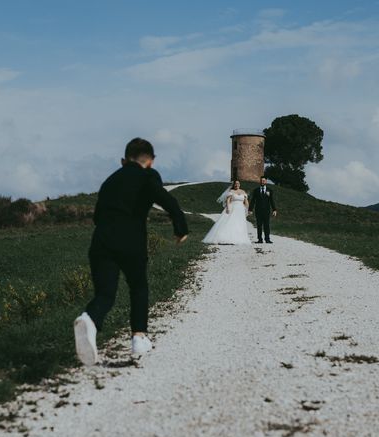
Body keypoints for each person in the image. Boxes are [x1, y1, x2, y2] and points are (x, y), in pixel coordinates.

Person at [74, 138, 189, 366]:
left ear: (123, 160)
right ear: (151, 161)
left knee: (105, 294)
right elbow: (167, 200)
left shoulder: (110, 180)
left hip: (101, 241)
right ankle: (138, 338)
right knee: (138, 287)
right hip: (131, 242)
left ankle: (89, 318)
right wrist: (180, 228)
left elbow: (97, 216)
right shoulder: (148, 176)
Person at [202, 180, 251, 245]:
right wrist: (228, 208)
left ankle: (238, 238)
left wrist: (247, 209)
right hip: (233, 208)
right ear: (234, 185)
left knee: (239, 223)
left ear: (240, 184)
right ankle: (226, 238)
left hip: (240, 210)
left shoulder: (243, 192)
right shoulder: (231, 191)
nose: (237, 185)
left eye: (238, 183)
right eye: (235, 184)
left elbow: (246, 202)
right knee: (231, 222)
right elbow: (228, 201)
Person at [248, 176, 277, 244]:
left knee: (267, 225)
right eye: (261, 180)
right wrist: (250, 209)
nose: (262, 182)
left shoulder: (269, 190)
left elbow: (271, 200)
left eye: (263, 181)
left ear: (266, 181)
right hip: (258, 211)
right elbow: (253, 200)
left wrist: (274, 210)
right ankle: (260, 239)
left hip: (266, 211)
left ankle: (267, 239)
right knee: (259, 225)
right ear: (260, 181)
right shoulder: (256, 190)